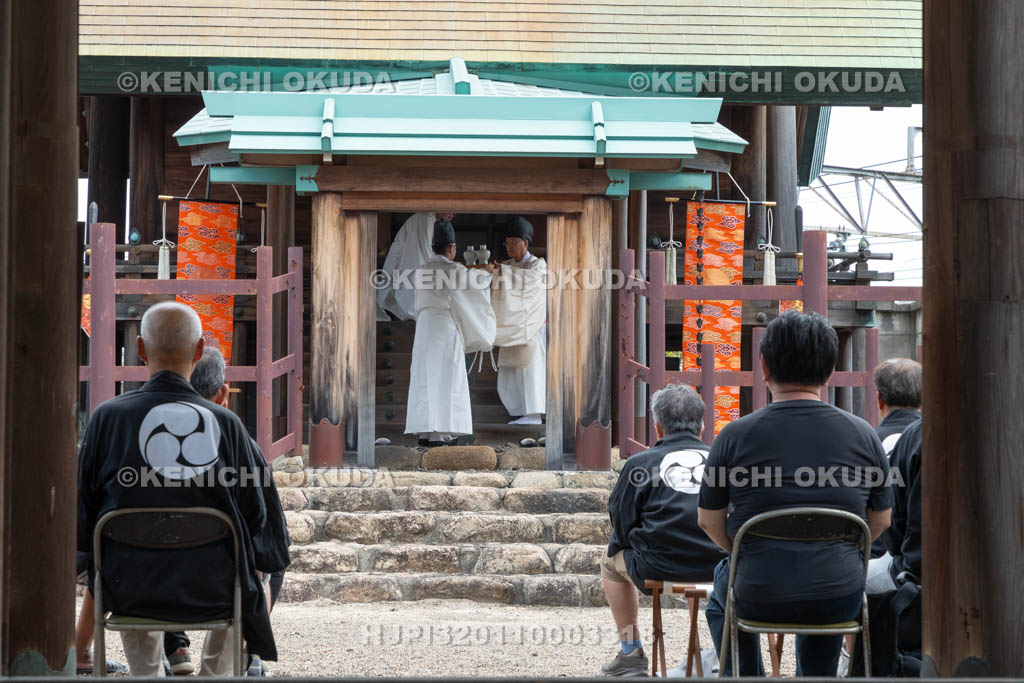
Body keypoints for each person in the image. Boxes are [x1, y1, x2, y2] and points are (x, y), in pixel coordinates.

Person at [77, 302, 289, 677]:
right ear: (198, 349)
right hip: (214, 590)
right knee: (247, 563)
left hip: (131, 590)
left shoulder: (106, 420)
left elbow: (83, 515)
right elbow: (258, 516)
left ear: (140, 349)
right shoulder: (228, 425)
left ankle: (147, 673)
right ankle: (216, 674)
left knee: (120, 546)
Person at [697, 310, 893, 677]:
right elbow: (880, 520)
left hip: (757, 590)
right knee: (825, 573)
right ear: (829, 369)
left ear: (764, 367)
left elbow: (708, 521)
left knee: (724, 587)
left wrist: (742, 549)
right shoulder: (865, 436)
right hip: (838, 595)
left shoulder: (734, 436)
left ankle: (747, 675)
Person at [159, 346, 291, 677]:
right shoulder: (239, 440)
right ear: (222, 394)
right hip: (222, 584)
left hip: (150, 582)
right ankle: (249, 650)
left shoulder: (146, 433)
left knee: (159, 538)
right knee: (268, 551)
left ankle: (175, 647)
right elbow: (261, 520)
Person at [599, 384, 726, 677]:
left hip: (658, 565)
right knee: (709, 554)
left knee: (609, 560)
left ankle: (631, 651)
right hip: (720, 566)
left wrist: (632, 542)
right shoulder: (722, 463)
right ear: (703, 425)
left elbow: (621, 521)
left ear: (657, 427)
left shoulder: (640, 463)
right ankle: (719, 649)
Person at [405, 218, 495, 446]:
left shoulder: (421, 270)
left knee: (425, 376)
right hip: (445, 326)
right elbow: (477, 283)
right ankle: (439, 432)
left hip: (425, 327)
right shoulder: (452, 268)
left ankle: (427, 431)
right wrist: (488, 272)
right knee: (446, 377)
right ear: (451, 248)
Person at [491, 216, 547, 426]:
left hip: (531, 327)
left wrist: (501, 271)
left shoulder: (537, 266)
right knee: (510, 370)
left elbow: (526, 281)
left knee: (529, 369)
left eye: (514, 242)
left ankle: (533, 414)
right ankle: (519, 411)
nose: (510, 247)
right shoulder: (508, 265)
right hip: (512, 327)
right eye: (507, 243)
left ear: (526, 243)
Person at [375, 212, 454, 321]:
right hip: (399, 287)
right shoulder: (424, 219)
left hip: (401, 284)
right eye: (450, 209)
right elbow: (423, 259)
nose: (451, 215)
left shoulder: (429, 220)